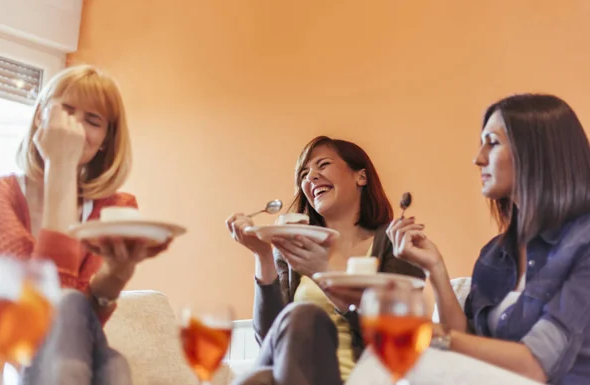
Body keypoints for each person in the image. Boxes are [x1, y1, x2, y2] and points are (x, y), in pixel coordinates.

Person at [385, 94, 590, 385]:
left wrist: (428, 336)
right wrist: (436, 270)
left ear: (535, 151)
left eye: (492, 142)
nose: (478, 158)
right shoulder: (495, 255)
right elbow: (470, 347)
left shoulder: (583, 245)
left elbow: (536, 365)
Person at [0, 65, 168, 384]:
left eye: (93, 120)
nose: (74, 126)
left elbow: (77, 326)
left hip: (64, 361)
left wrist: (115, 277)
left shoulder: (114, 208)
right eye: (65, 111)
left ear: (104, 141)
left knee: (109, 360)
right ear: (39, 118)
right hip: (6, 354)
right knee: (109, 360)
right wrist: (61, 166)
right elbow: (45, 308)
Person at [226, 136, 424, 384]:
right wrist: (263, 255)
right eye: (304, 174)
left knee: (301, 319)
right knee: (298, 322)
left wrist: (323, 272)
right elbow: (270, 340)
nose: (311, 177)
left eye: (323, 164)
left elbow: (398, 339)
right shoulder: (294, 245)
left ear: (361, 177)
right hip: (292, 376)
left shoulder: (395, 243)